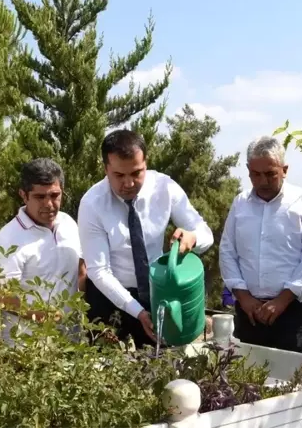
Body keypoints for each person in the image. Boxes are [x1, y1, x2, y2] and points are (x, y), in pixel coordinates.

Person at [78, 129, 214, 348]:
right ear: (106, 169)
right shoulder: (92, 203)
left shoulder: (165, 188)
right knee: (104, 370)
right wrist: (138, 312)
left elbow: (205, 232)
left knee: (161, 365)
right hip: (108, 296)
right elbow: (99, 271)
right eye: (119, 175)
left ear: (146, 164)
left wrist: (193, 238)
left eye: (136, 173)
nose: (129, 183)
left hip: (156, 293)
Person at [219, 136, 302, 354]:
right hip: (249, 313)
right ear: (248, 171)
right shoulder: (240, 204)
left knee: (296, 380)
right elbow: (227, 251)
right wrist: (244, 297)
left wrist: (282, 300)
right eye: (256, 175)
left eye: (270, 174)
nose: (263, 182)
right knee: (248, 379)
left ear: (284, 170)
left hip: (292, 313)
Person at [0, 158, 85, 344]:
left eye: (55, 195)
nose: (49, 204)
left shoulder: (69, 224)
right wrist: (46, 316)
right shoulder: (8, 238)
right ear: (24, 195)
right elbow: (4, 297)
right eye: (40, 197)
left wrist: (84, 316)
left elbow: (81, 271)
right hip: (26, 347)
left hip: (72, 341)